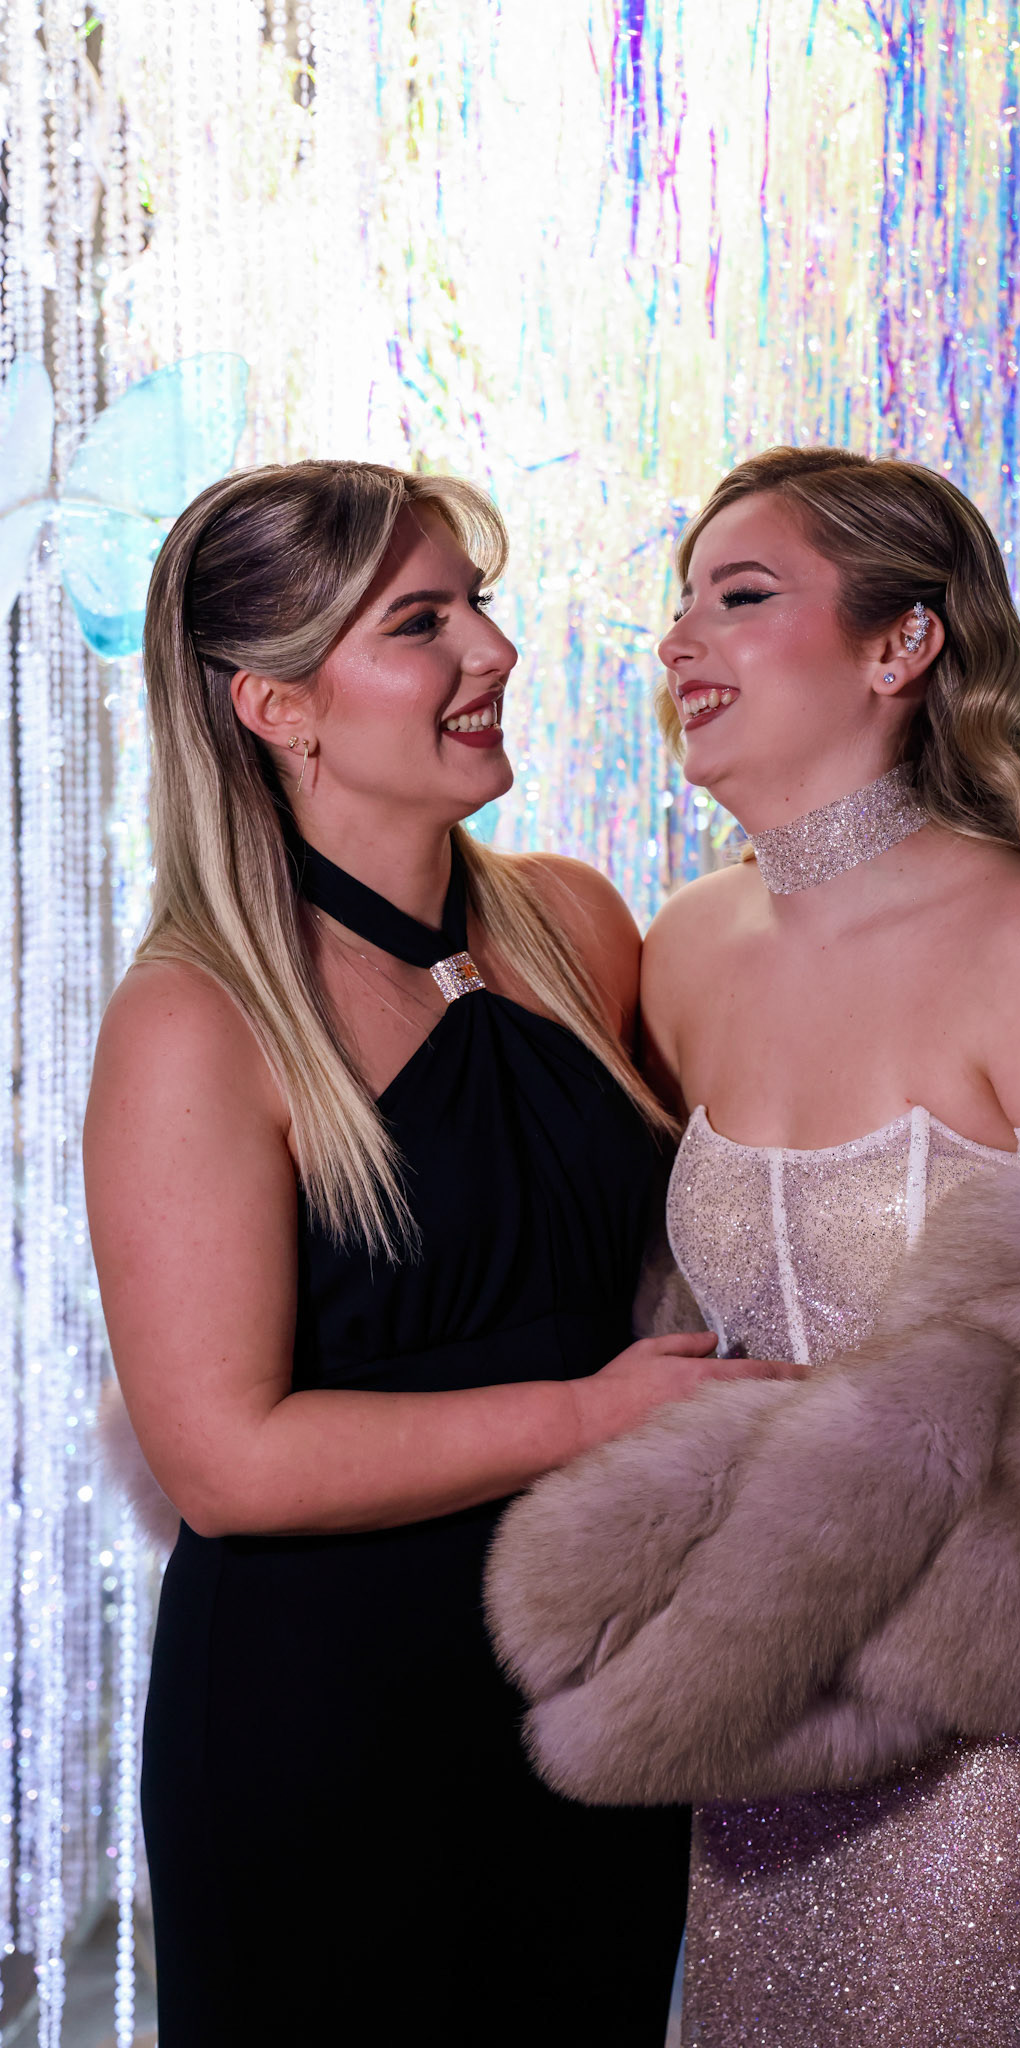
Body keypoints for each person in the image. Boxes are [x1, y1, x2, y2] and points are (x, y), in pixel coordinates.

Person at [486, 447, 1020, 2046]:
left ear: (900, 644)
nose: (681, 641)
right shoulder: (684, 947)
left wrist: (816, 1608)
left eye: (742, 596)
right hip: (759, 1743)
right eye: (681, 603)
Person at [83, 459, 794, 2047]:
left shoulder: (575, 926)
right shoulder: (195, 1018)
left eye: (477, 604)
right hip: (327, 1719)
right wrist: (591, 1416)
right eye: (421, 623)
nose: (493, 650)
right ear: (277, 707)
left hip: (595, 1693)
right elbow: (223, 1464)